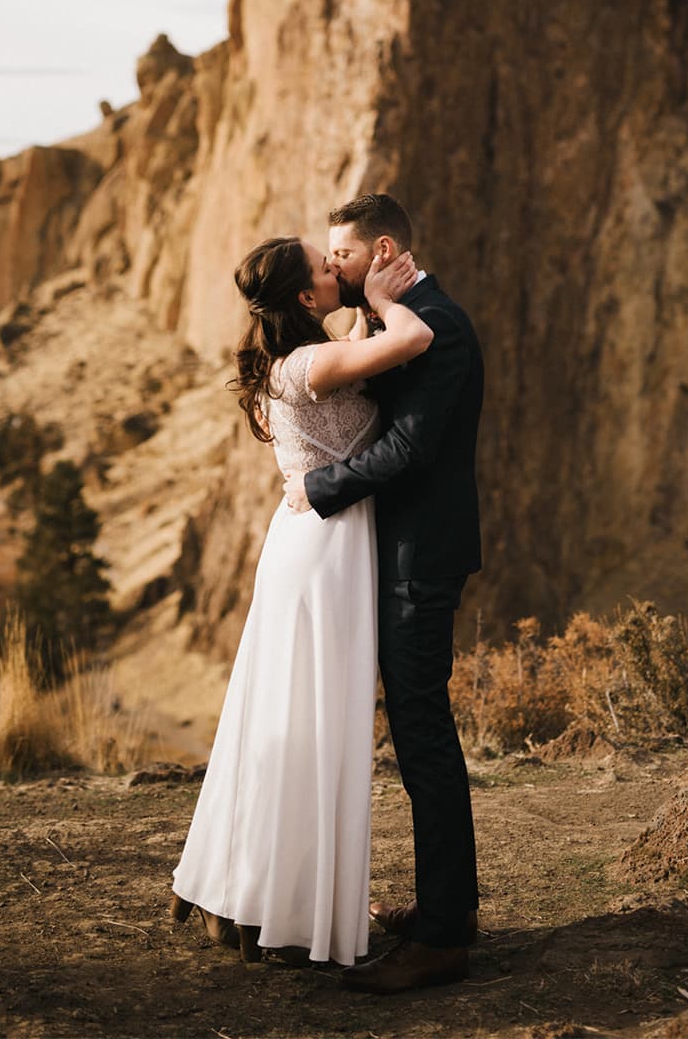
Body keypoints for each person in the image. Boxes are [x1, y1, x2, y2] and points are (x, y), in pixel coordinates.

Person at [168, 232, 430, 967]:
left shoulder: (301, 356)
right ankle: (278, 905)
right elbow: (413, 338)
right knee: (309, 724)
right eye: (326, 268)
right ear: (305, 298)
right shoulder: (311, 364)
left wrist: (361, 303)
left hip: (314, 543)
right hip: (325, 552)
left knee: (289, 721)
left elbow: (350, 348)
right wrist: (383, 300)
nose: (336, 271)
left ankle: (256, 895)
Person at [284, 192, 486, 993]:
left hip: (420, 558)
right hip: (392, 552)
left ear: (382, 249)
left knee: (423, 736)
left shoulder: (442, 325)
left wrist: (318, 488)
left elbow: (407, 449)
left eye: (342, 254)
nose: (331, 266)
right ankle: (448, 908)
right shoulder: (395, 316)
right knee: (414, 734)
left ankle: (443, 937)